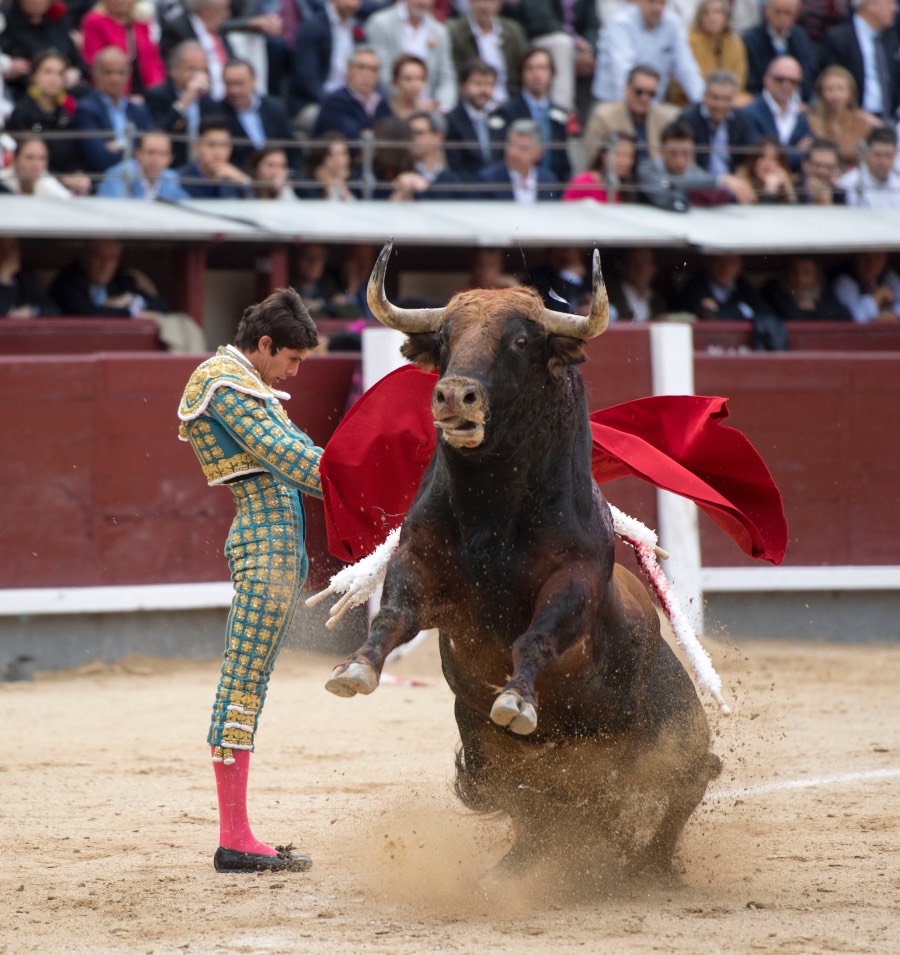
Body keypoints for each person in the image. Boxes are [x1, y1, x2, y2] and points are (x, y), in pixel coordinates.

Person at [176, 287, 324, 873]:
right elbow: (291, 458)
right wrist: (378, 482)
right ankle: (234, 837)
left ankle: (238, 832)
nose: (294, 371)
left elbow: (300, 451)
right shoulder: (220, 380)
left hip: (278, 553)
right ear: (265, 344)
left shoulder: (247, 384)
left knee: (251, 681)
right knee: (242, 680)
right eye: (291, 359)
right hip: (262, 551)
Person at [6, 51, 91, 195]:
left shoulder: (65, 114)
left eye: (59, 74)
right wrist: (62, 179)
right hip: (35, 185)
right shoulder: (22, 112)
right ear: (33, 76)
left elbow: (74, 155)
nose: (54, 79)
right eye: (47, 72)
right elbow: (21, 161)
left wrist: (79, 174)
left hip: (68, 184)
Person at [592, 0, 705, 106]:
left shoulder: (672, 23)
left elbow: (687, 70)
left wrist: (704, 105)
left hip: (653, 104)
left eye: (662, 2)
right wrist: (641, 109)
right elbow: (622, 73)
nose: (657, 8)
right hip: (614, 103)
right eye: (651, 1)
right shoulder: (621, 23)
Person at [488, 46, 571, 184]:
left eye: (542, 68)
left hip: (550, 188)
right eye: (530, 69)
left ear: (551, 73)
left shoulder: (559, 114)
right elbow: (499, 157)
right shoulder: (506, 112)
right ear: (521, 74)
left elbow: (562, 159)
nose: (536, 74)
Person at [204, 58, 298, 171]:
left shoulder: (274, 108)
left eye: (239, 84)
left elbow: (292, 148)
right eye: (229, 84)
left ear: (253, 81)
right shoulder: (216, 113)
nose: (234, 90)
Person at [638, 118, 754, 208]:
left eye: (686, 153)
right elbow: (664, 191)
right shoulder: (646, 169)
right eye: (673, 153)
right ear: (661, 151)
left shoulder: (694, 171)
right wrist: (721, 179)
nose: (680, 160)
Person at [677, 252, 787, 348]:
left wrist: (725, 311)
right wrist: (741, 311)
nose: (725, 268)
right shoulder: (695, 287)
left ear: (740, 266)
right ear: (709, 263)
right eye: (720, 262)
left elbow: (764, 313)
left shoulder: (744, 288)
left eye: (732, 263)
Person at [73, 46, 154, 175]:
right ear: (96, 74)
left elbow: (152, 150)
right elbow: (98, 157)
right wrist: (134, 152)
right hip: (104, 180)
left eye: (121, 73)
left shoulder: (138, 111)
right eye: (108, 72)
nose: (115, 79)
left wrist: (118, 147)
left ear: (128, 75)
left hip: (140, 180)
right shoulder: (86, 109)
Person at [364, 0, 458, 111]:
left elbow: (446, 78)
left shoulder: (439, 31)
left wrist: (441, 106)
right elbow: (382, 73)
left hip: (430, 112)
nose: (423, 2)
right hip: (391, 109)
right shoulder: (380, 23)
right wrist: (409, 104)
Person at [510, 0, 599, 116]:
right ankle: (562, 111)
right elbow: (543, 21)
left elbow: (593, 26)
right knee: (562, 44)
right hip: (539, 38)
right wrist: (575, 39)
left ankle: (586, 119)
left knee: (596, 58)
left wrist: (589, 50)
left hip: (575, 46)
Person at [583, 65, 679, 169]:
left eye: (651, 94)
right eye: (639, 92)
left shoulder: (665, 119)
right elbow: (591, 160)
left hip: (655, 180)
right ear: (627, 89)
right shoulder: (603, 117)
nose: (645, 98)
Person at [819, 0, 900, 123]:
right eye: (890, 3)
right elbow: (831, 85)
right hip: (850, 122)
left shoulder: (892, 41)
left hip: (889, 122)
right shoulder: (838, 39)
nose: (895, 9)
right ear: (871, 4)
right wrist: (855, 115)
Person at [289, 0, 363, 127]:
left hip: (350, 101)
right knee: (341, 121)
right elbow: (306, 78)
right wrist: (335, 103)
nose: (353, 3)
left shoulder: (357, 28)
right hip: (312, 103)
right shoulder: (312, 26)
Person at [145, 41, 217, 168]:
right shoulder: (157, 95)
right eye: (193, 69)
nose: (199, 76)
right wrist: (186, 99)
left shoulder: (209, 102)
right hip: (170, 167)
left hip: (202, 169)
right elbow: (159, 134)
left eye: (203, 70)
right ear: (174, 70)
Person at [447, 0, 529, 106]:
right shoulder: (454, 32)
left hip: (508, 102)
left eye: (490, 1)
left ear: (499, 3)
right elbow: (454, 74)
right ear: (470, 2)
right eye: (479, 1)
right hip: (470, 102)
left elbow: (522, 69)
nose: (484, 6)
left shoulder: (513, 31)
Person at [0, 0, 85, 102]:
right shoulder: (7, 27)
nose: (37, 2)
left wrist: (73, 73)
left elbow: (77, 60)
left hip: (67, 90)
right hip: (24, 94)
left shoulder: (59, 24)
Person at [739, 54, 812, 170]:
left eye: (793, 81)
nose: (786, 85)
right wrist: (796, 152)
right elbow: (757, 156)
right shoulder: (748, 113)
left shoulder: (802, 117)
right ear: (766, 79)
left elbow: (809, 156)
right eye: (780, 79)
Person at [81, 0, 167, 98]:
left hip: (145, 88)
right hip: (114, 91)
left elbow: (152, 59)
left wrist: (157, 91)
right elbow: (95, 63)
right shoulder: (94, 21)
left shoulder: (141, 21)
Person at [671, 0, 750, 107]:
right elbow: (686, 80)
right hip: (694, 102)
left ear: (726, 16)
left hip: (729, 100)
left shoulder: (735, 44)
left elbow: (739, 82)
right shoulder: (689, 41)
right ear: (699, 17)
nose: (712, 17)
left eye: (717, 12)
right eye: (706, 12)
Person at [311, 46, 394, 145]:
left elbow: (392, 137)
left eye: (373, 69)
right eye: (361, 67)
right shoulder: (335, 102)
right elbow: (351, 138)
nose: (367, 74)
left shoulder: (381, 103)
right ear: (348, 71)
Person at [678, 69, 755, 173]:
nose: (720, 105)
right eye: (715, 98)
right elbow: (683, 161)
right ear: (704, 96)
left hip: (733, 181)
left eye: (726, 99)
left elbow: (748, 157)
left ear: (734, 99)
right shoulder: (688, 119)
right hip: (697, 181)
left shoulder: (741, 119)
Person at [741, 0, 818, 102]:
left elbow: (809, 73)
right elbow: (752, 81)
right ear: (767, 11)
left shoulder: (800, 37)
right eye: (778, 12)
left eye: (788, 13)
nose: (782, 17)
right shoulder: (751, 40)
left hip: (799, 102)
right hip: (762, 101)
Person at [808, 65, 881, 169]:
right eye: (829, 89)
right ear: (821, 93)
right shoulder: (811, 121)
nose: (835, 95)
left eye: (840, 89)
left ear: (850, 93)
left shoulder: (862, 121)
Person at [475, 116, 559, 200]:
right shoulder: (488, 180)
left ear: (539, 153)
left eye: (523, 148)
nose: (513, 153)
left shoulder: (548, 181)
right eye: (511, 145)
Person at [443, 59, 498, 182]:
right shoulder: (451, 121)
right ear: (462, 86)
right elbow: (456, 165)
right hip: (467, 189)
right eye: (477, 84)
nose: (483, 90)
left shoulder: (500, 118)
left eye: (489, 84)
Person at [388, 108, 461, 199]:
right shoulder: (397, 173)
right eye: (409, 133)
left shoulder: (452, 180)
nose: (412, 138)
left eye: (419, 133)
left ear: (438, 138)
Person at [97, 129, 190, 199]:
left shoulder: (171, 177)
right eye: (150, 152)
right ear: (137, 154)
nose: (156, 159)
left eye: (163, 154)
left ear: (170, 158)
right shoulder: (119, 175)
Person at [177, 117, 252, 196]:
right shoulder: (179, 180)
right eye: (211, 145)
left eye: (224, 145)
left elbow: (253, 205)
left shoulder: (235, 178)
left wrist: (244, 181)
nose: (218, 152)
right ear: (196, 146)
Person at [762, 255, 853, 319]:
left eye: (806, 273)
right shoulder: (774, 292)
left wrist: (816, 308)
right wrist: (798, 307)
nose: (799, 278)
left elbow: (845, 315)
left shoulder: (824, 292)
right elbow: (791, 316)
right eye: (794, 272)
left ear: (816, 277)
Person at [563, 133, 637, 201]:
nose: (624, 162)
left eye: (629, 156)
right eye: (618, 155)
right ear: (604, 155)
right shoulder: (584, 183)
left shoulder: (621, 187)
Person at [0, 236, 59, 317]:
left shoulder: (24, 277)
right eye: (4, 249)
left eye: (13, 248)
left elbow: (53, 310)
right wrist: (4, 277)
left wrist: (32, 310)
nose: (11, 254)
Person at [839, 127, 900, 206]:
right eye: (877, 155)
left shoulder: (897, 182)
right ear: (866, 154)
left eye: (888, 155)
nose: (883, 161)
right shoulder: (849, 183)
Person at [832, 251, 900, 321]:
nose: (871, 264)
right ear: (856, 258)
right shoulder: (843, 280)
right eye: (866, 258)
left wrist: (893, 315)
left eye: (877, 258)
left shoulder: (887, 275)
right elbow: (854, 317)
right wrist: (875, 298)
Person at [606, 248, 668, 321]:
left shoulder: (657, 301)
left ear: (654, 268)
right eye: (635, 260)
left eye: (646, 261)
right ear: (621, 265)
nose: (641, 267)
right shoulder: (607, 296)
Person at [0, 135, 72, 198]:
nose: (36, 165)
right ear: (15, 159)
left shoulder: (50, 188)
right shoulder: (3, 181)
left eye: (42, 158)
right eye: (29, 157)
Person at [734, 136, 798, 202]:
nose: (767, 163)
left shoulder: (794, 183)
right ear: (754, 160)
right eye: (762, 157)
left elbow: (796, 210)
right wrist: (770, 192)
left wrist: (788, 187)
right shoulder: (741, 184)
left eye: (774, 159)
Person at [289, 243, 343, 315]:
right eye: (307, 256)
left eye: (319, 257)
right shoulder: (285, 283)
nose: (314, 262)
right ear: (297, 260)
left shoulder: (328, 284)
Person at [302, 131, 357, 199]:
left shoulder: (358, 179)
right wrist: (329, 186)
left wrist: (339, 183)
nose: (337, 159)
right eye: (330, 155)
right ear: (321, 158)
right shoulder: (308, 184)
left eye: (343, 153)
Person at [796, 137, 847, 203]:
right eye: (817, 165)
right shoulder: (793, 192)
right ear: (805, 165)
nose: (823, 172)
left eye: (829, 167)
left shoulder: (839, 194)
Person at [388, 54, 438, 118]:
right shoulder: (385, 110)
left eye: (421, 79)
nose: (415, 85)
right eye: (408, 79)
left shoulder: (427, 112)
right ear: (395, 82)